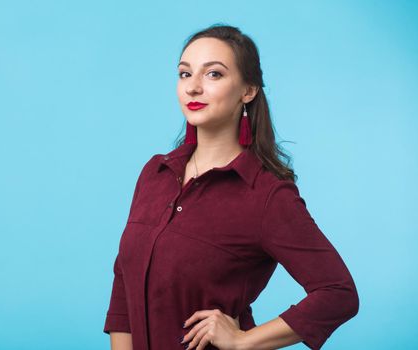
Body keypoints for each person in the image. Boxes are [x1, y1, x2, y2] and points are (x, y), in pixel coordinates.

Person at [103, 24, 359, 350]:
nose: (193, 88)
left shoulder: (265, 194)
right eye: (185, 74)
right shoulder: (155, 173)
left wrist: (243, 341)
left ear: (248, 90)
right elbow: (124, 283)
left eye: (213, 75)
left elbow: (338, 293)